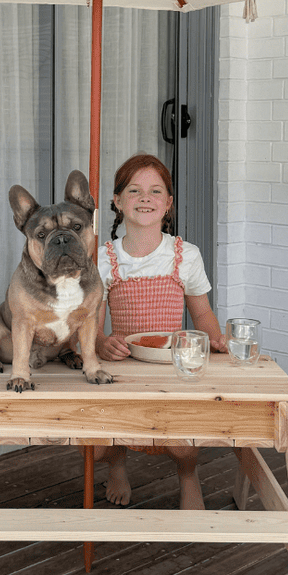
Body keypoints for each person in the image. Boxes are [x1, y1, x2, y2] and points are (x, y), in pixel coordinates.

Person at [93, 153, 226, 511]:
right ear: (117, 202)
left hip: (173, 365)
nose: (145, 198)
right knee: (98, 445)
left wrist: (214, 339)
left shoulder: (186, 255)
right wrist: (102, 344)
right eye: (134, 191)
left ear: (168, 203)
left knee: (183, 444)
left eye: (155, 191)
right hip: (123, 367)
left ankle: (187, 475)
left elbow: (202, 312)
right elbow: (92, 323)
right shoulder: (104, 258)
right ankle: (117, 463)